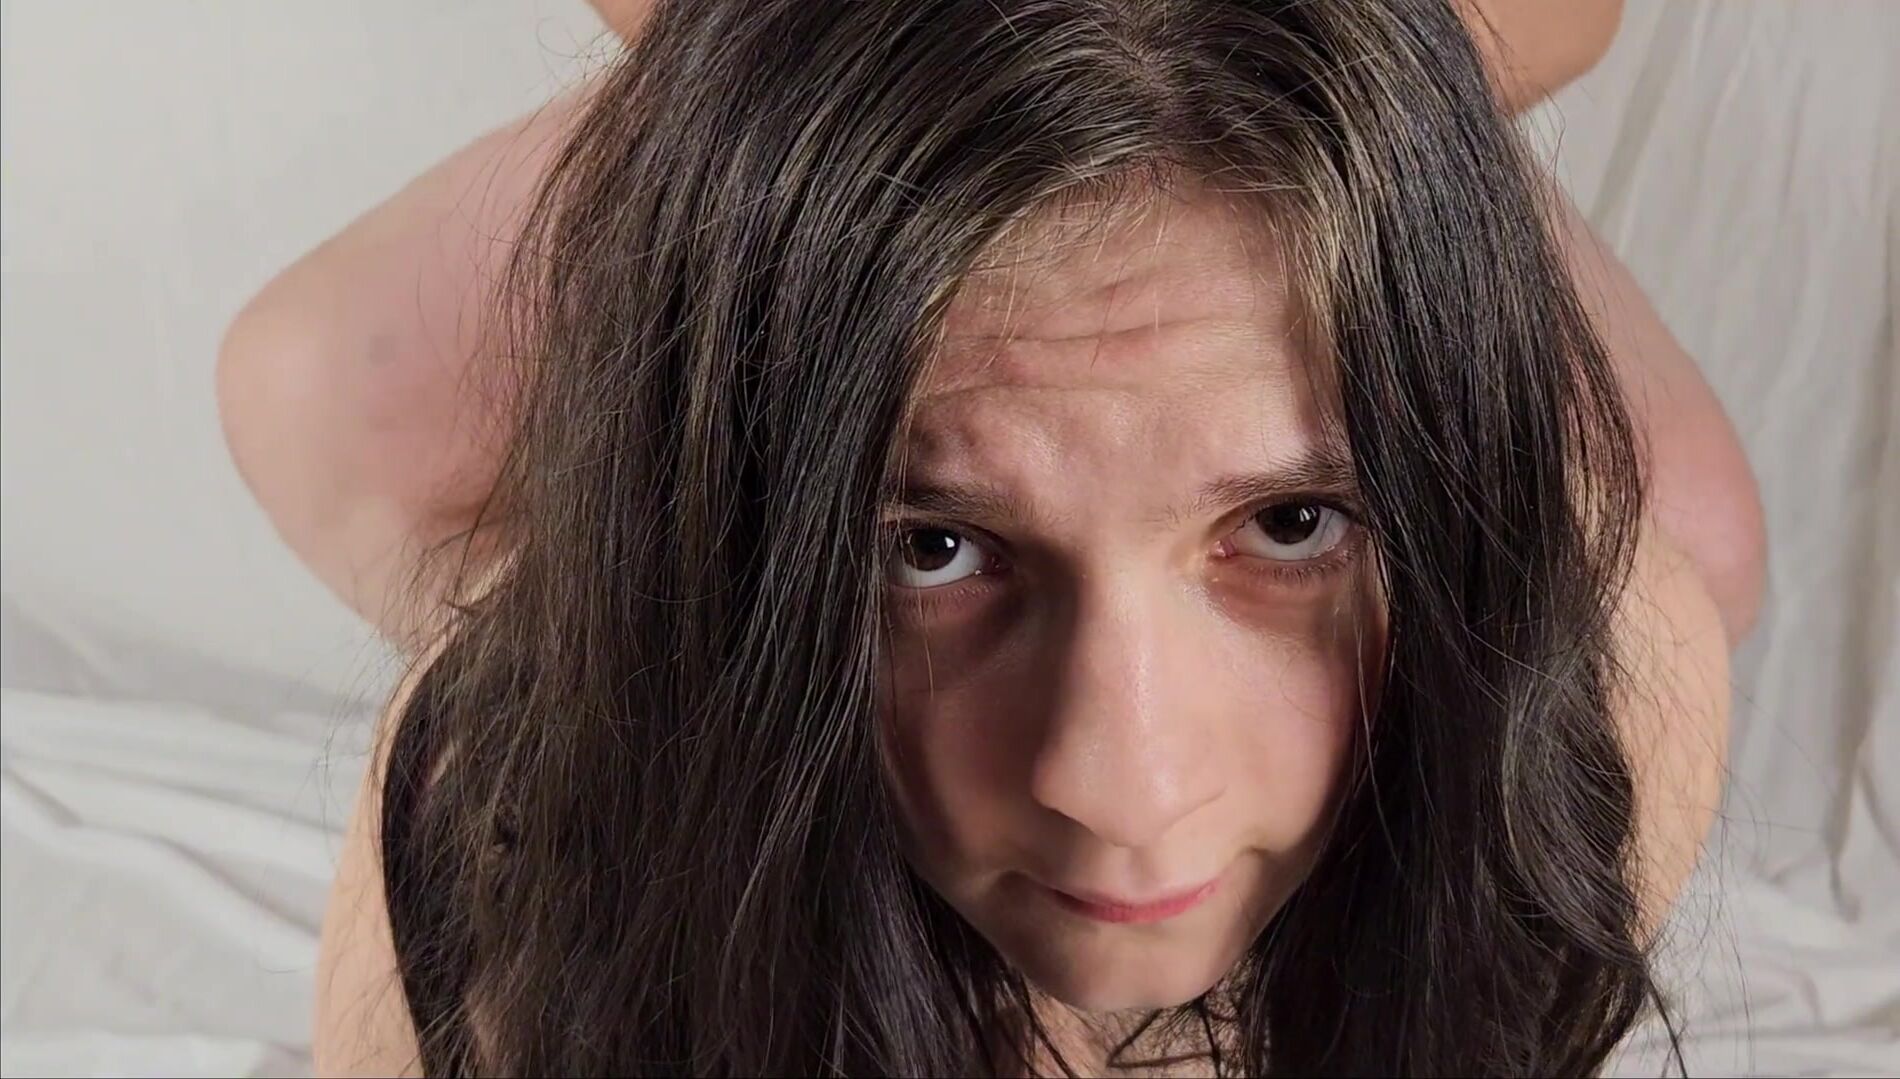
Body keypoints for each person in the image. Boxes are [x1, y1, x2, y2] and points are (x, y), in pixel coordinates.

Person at [217, 1, 1764, 1074]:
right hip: (846, 79)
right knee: (325, 397)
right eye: (934, 548)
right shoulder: (482, 800)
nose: (1124, 791)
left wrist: (1335, 72)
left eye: (1288, 522)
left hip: (1293, 84)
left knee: (1681, 550)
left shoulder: (1613, 664)